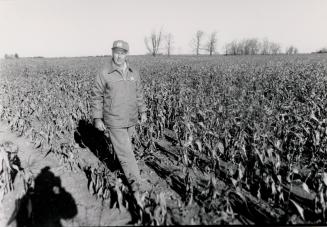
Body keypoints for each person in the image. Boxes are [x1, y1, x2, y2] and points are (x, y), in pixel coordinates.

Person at [91, 40, 148, 198]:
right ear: (112, 52)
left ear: (126, 54)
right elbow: (97, 96)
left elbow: (139, 94)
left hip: (130, 119)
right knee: (127, 154)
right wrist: (97, 118)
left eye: (122, 53)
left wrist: (143, 111)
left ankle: (120, 172)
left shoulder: (133, 72)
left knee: (124, 150)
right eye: (116, 52)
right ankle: (137, 187)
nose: (119, 56)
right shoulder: (104, 72)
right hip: (114, 120)